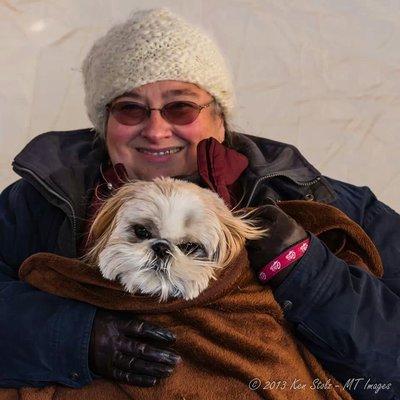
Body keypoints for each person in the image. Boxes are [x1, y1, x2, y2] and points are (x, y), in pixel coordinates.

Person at [0, 8, 399, 399]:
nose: (156, 130)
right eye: (129, 108)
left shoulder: (321, 199)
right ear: (104, 123)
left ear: (220, 117)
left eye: (181, 107)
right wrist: (74, 337)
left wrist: (307, 271)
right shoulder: (37, 202)